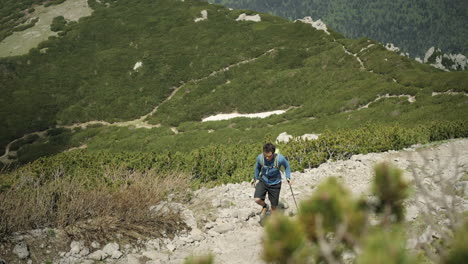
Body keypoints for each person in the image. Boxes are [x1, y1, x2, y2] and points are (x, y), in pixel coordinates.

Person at [253, 142, 291, 215]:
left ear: (273, 153)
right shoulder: (260, 158)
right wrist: (255, 178)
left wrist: (288, 177)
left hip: (275, 183)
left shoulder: (280, 158)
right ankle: (265, 206)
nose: (267, 157)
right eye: (265, 155)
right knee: (257, 199)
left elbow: (287, 166)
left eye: (269, 156)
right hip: (263, 180)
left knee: (273, 207)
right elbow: (257, 167)